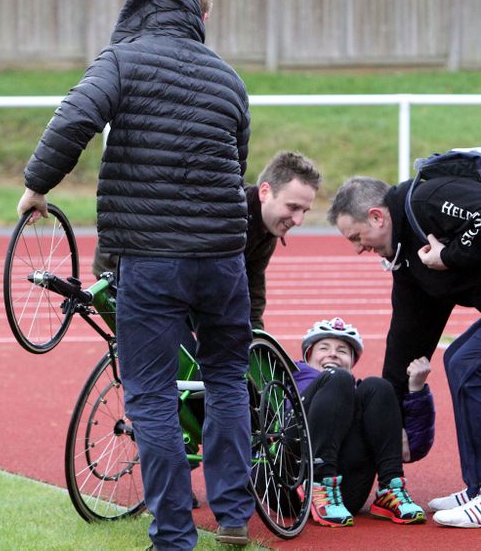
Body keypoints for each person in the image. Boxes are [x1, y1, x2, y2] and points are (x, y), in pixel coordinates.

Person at [17, 0, 255, 549]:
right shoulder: (229, 78)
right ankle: (232, 516)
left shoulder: (125, 58)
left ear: (143, 7)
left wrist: (36, 186)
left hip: (152, 260)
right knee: (226, 379)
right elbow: (237, 162)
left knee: (150, 393)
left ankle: (173, 535)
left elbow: (76, 118)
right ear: (202, 17)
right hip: (225, 259)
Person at [327, 167, 481, 528]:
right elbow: (406, 341)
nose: (357, 249)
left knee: (470, 368)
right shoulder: (408, 259)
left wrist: (451, 256)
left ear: (377, 216)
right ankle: (476, 488)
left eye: (355, 236)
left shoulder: (427, 201)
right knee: (458, 358)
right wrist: (389, 417)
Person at [93, 149, 320, 328]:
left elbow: (253, 286)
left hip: (165, 274)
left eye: (305, 211)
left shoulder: (266, 228)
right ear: (264, 192)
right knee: (186, 355)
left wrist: (255, 335)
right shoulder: (227, 207)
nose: (298, 220)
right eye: (293, 207)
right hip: (124, 262)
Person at [293, 317, 432, 527]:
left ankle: (390, 489)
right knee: (337, 379)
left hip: (346, 497)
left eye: (342, 351)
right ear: (308, 356)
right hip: (290, 485)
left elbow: (408, 450)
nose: (332, 353)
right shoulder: (289, 378)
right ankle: (318, 483)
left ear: (352, 362)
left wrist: (416, 389)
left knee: (378, 386)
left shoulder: (365, 399)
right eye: (324, 348)